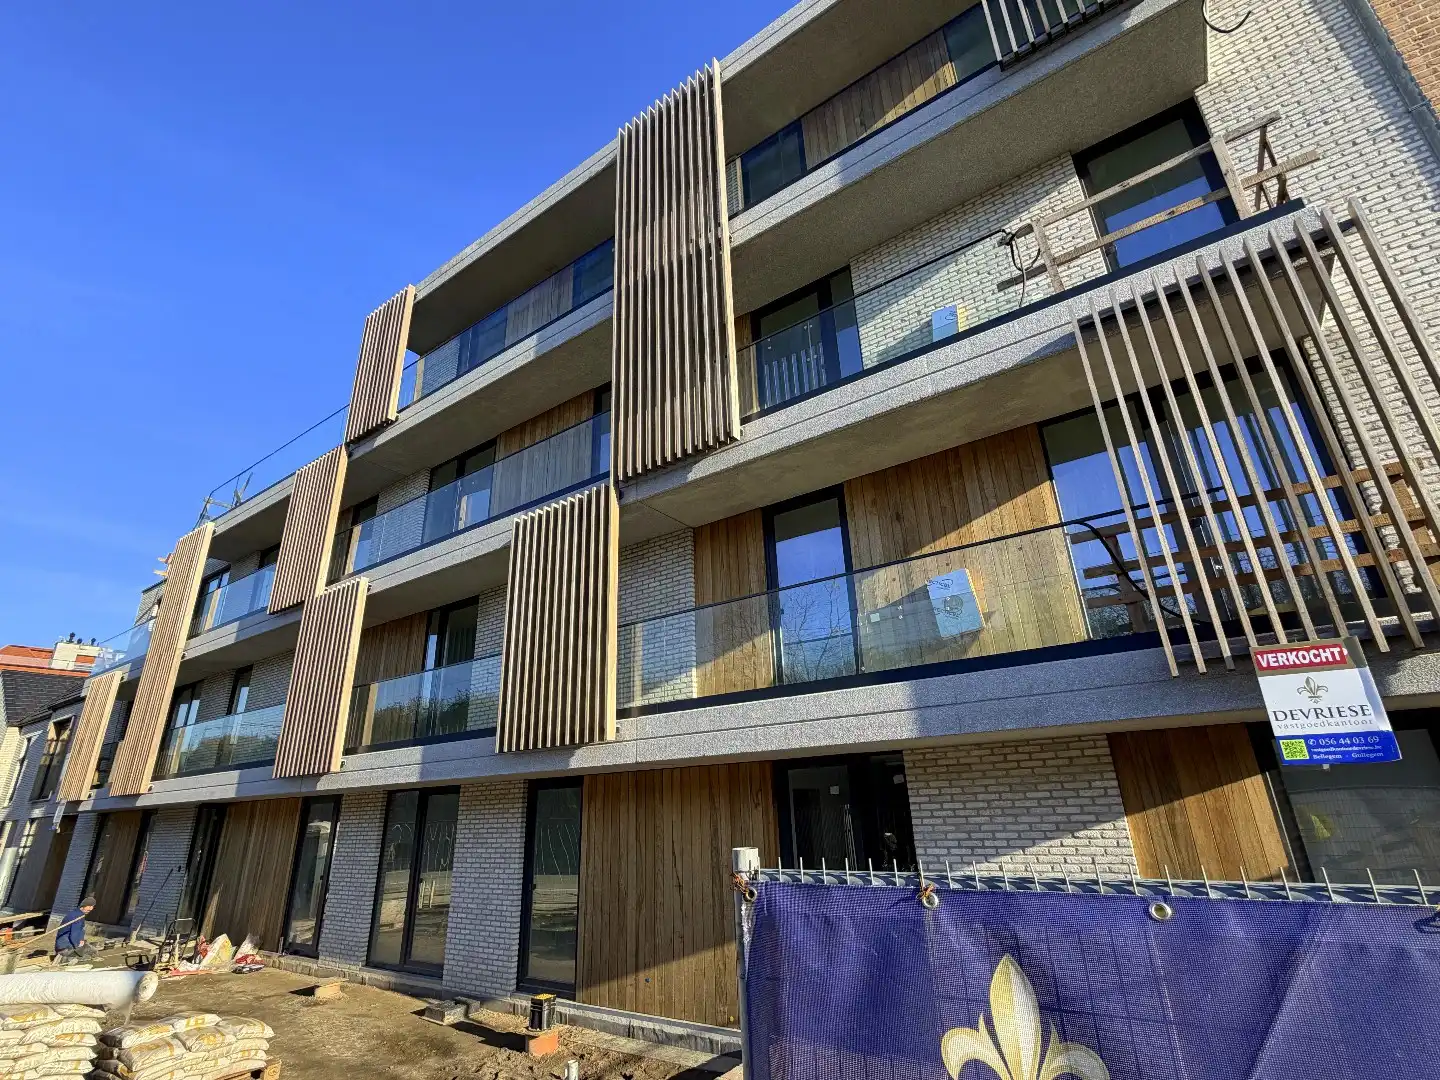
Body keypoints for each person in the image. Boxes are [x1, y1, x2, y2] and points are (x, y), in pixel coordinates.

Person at [55, 896, 97, 962]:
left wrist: (81, 940)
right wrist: (79, 946)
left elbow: (80, 931)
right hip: (66, 947)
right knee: (91, 952)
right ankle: (67, 959)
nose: (91, 908)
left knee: (88, 949)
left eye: (92, 906)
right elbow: (74, 934)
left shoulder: (78, 914)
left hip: (64, 945)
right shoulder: (76, 916)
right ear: (83, 905)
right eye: (89, 906)